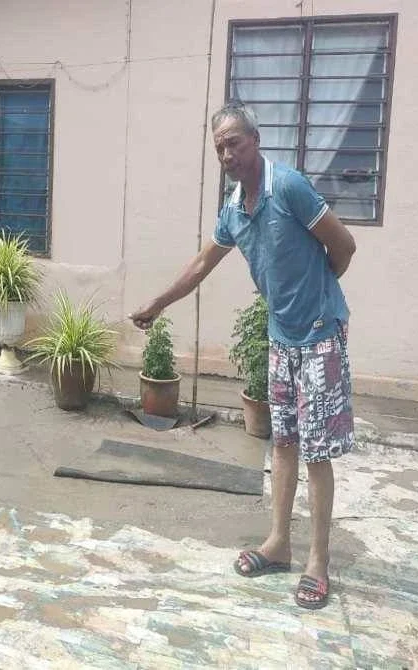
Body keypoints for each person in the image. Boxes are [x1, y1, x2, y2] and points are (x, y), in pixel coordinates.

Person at [129, 102, 357, 610]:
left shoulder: (289, 187)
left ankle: (318, 561)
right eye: (219, 148)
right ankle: (278, 544)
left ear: (255, 139)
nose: (227, 153)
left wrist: (321, 293)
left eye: (234, 142)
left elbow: (343, 246)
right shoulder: (235, 208)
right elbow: (201, 265)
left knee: (316, 453)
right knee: (281, 444)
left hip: (320, 334)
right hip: (281, 337)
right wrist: (157, 303)